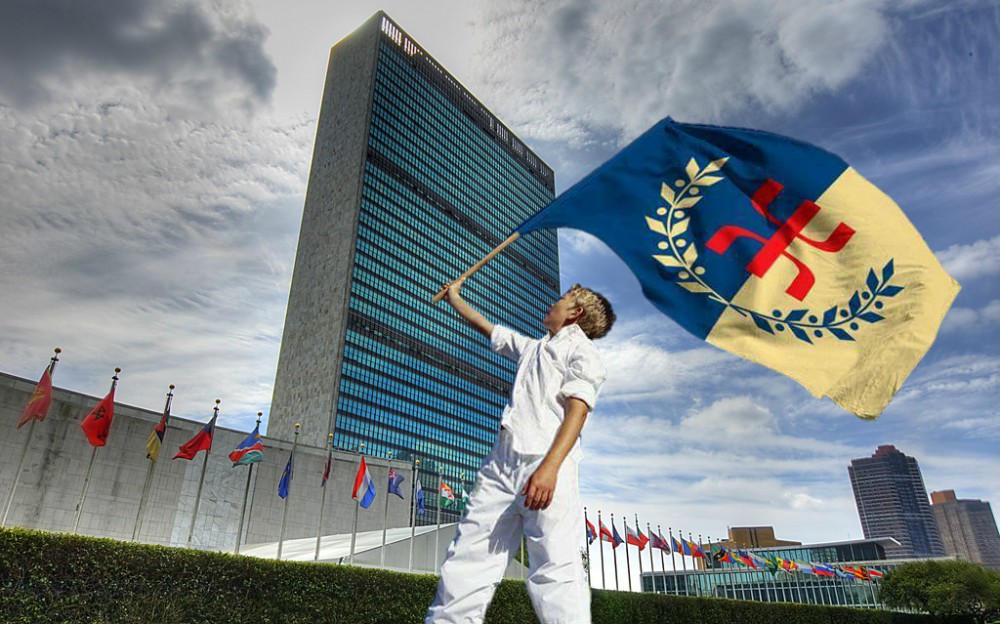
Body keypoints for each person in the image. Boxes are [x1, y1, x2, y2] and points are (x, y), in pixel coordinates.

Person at [425, 278, 615, 624]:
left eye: (561, 299)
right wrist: (455, 298)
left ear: (576, 312)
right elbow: (490, 330)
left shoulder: (582, 350)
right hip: (500, 467)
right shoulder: (534, 349)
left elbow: (578, 409)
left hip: (545, 465)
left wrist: (550, 468)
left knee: (556, 570)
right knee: (467, 560)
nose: (552, 303)